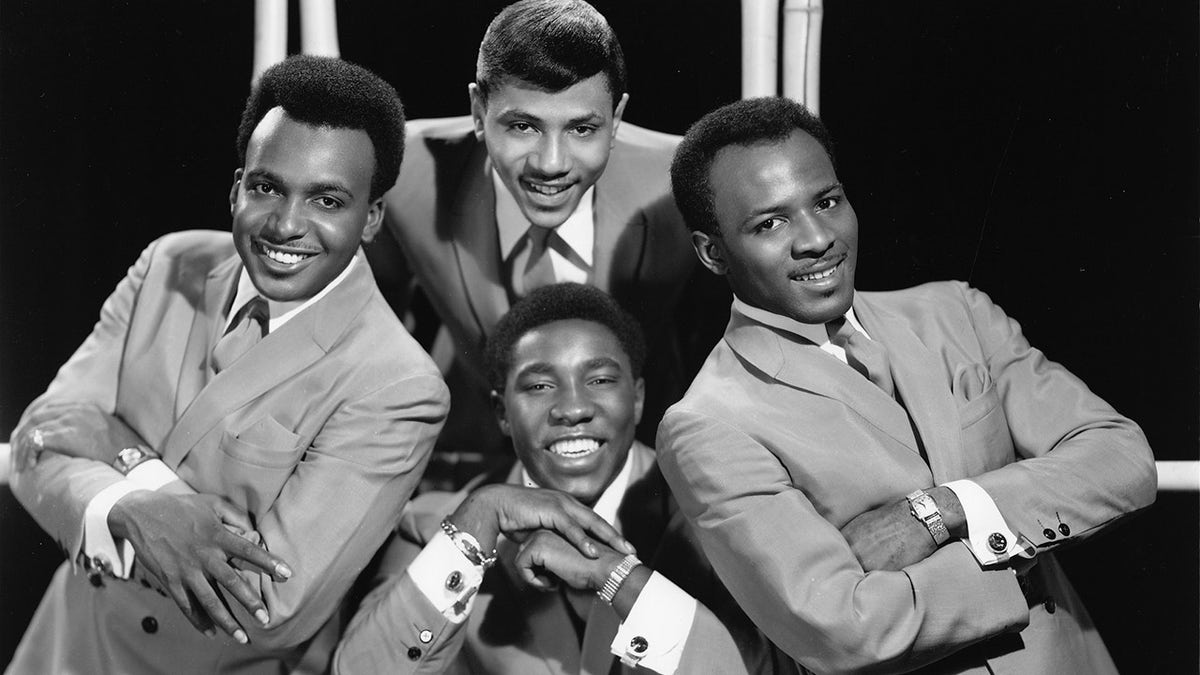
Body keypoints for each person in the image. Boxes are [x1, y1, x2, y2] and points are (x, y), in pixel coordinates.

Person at [657, 96, 1158, 674]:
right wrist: (1016, 536)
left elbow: (1122, 457)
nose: (816, 239)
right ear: (712, 252)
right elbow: (845, 630)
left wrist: (948, 508)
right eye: (770, 223)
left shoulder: (956, 311)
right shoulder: (706, 424)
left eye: (827, 201)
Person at [6, 55, 449, 674]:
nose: (287, 225)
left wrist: (113, 460)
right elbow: (36, 442)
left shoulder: (399, 384)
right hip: (61, 650)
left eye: (327, 199)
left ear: (371, 218)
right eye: (268, 187)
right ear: (237, 186)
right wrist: (144, 503)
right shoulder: (169, 265)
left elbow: (272, 607)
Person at [333, 283, 792, 675]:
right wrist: (480, 519)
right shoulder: (441, 526)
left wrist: (613, 576)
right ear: (502, 413)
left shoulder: (721, 512)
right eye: (539, 386)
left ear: (637, 399)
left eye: (599, 380)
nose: (572, 409)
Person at [366, 0, 697, 468]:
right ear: (479, 112)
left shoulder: (682, 185)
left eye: (582, 128)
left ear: (617, 117)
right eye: (523, 126)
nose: (551, 163)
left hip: (645, 467)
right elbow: (374, 320)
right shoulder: (402, 170)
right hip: (464, 457)